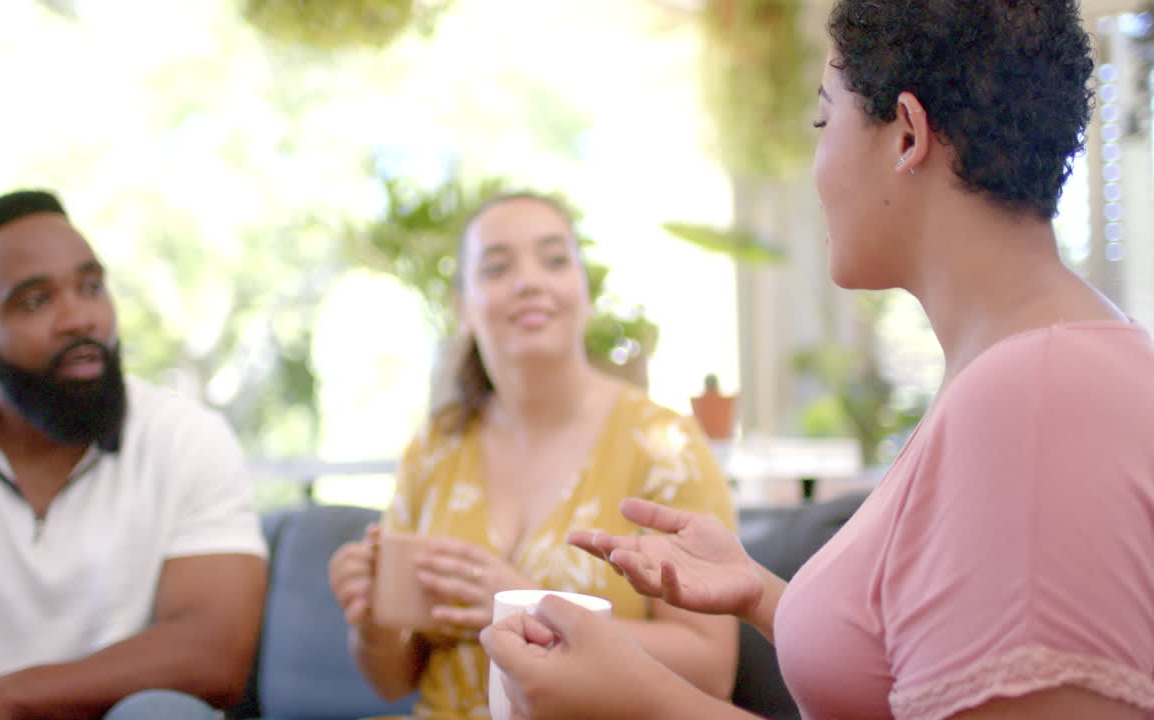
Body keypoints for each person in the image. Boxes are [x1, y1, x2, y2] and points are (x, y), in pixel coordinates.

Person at [480, 1, 1154, 719]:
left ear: (906, 135)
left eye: (823, 121)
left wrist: (643, 698)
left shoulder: (1038, 397)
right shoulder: (1021, 372)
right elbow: (919, 662)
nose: (817, 161)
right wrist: (764, 596)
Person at [327, 193, 741, 719]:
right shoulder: (435, 447)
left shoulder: (666, 446)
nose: (528, 282)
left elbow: (710, 668)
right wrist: (372, 621)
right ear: (463, 310)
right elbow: (391, 681)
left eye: (553, 260)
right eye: (497, 267)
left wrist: (530, 606)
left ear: (584, 295)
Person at [0, 190, 269, 720]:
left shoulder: (187, 436)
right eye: (36, 301)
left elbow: (214, 652)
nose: (79, 318)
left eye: (91, 287)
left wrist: (7, 696)